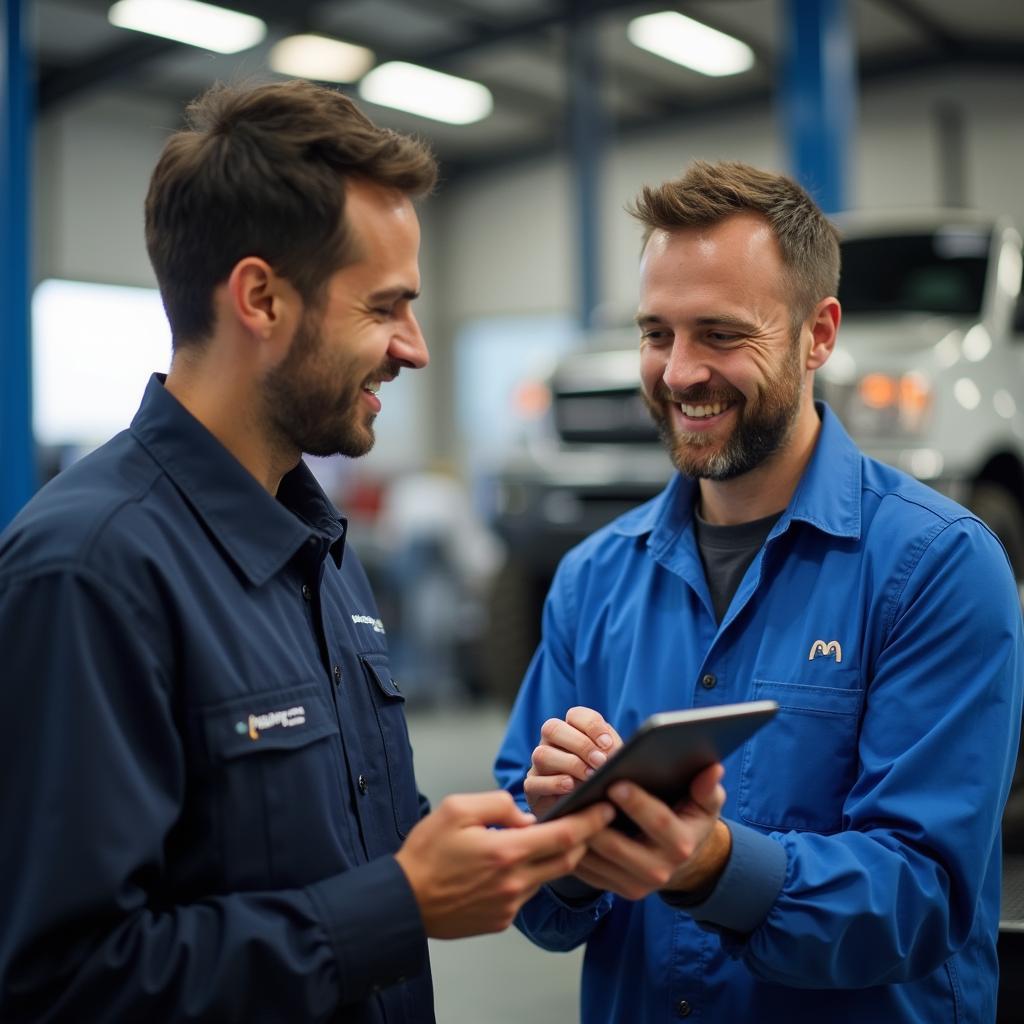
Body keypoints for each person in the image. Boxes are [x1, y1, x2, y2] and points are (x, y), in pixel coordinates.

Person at [0, 80, 625, 1023]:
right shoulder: (89, 571)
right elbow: (62, 986)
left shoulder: (319, 550)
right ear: (260, 298)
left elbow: (365, 842)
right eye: (385, 307)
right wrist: (396, 907)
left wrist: (559, 846)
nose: (412, 349)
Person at [494, 160, 1024, 1023]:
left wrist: (713, 866)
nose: (678, 373)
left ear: (819, 336)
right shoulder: (593, 581)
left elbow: (925, 894)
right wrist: (556, 841)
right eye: (656, 332)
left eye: (720, 334)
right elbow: (533, 890)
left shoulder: (938, 568)